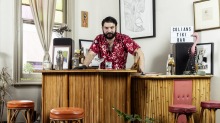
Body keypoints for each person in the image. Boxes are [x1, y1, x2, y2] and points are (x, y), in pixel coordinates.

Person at [76, 16, 145, 73]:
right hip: (103, 77)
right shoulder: (98, 38)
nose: (109, 30)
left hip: (120, 77)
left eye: (112, 27)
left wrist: (141, 72)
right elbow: (91, 54)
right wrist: (84, 66)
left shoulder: (124, 38)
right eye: (106, 28)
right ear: (102, 28)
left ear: (116, 27)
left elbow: (139, 53)